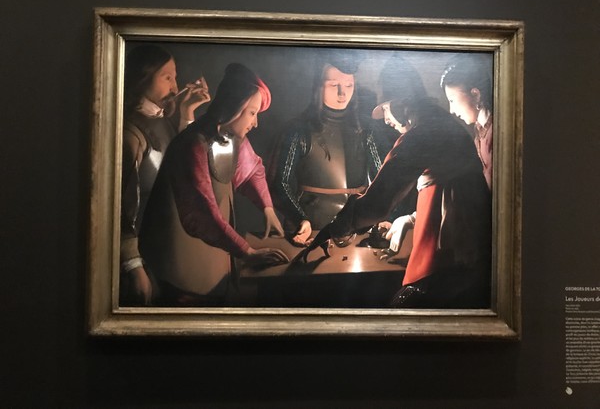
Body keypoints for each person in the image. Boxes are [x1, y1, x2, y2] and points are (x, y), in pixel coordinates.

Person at [139, 63, 288, 306]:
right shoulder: (193, 144)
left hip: (214, 252)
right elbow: (200, 213)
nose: (255, 123)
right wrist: (247, 252)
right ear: (235, 108)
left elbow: (253, 171)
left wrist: (267, 208)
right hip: (182, 264)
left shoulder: (232, 137)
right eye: (252, 113)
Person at [326, 97, 492, 308]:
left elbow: (378, 202)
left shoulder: (421, 135)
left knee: (410, 306)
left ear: (403, 104)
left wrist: (339, 226)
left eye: (386, 109)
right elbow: (453, 187)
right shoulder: (444, 126)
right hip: (466, 245)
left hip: (451, 249)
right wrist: (412, 218)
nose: (386, 120)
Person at [120, 44, 210, 306]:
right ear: (142, 77)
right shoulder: (131, 133)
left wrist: (187, 113)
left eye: (175, 77)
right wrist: (133, 265)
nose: (175, 87)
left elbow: (182, 165)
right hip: (143, 255)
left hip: (166, 249)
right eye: (167, 77)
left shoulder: (161, 122)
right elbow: (122, 206)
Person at [268, 53, 383, 246]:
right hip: (311, 229)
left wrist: (382, 217)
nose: (342, 93)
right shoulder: (298, 130)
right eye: (333, 85)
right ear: (319, 86)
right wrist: (299, 219)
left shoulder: (366, 131)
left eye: (349, 85)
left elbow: (381, 180)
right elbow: (279, 182)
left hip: (358, 229)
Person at [440, 54, 494, 190]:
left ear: (475, 94)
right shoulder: (480, 129)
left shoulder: (495, 132)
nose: (451, 110)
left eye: (452, 100)